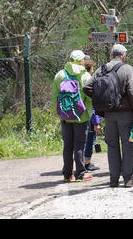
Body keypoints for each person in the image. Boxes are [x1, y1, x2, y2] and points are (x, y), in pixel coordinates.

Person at [83, 44, 133, 188]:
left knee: (112, 146)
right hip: (126, 114)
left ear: (112, 55)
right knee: (129, 145)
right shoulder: (127, 69)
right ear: (123, 56)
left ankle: (113, 179)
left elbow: (86, 87)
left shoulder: (101, 70)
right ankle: (128, 179)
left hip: (109, 115)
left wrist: (102, 100)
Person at [52, 50, 93, 182]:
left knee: (67, 145)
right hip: (81, 116)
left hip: (65, 116)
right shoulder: (85, 75)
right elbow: (89, 96)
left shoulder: (60, 75)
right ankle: (80, 173)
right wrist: (87, 110)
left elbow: (55, 96)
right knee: (79, 144)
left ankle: (67, 174)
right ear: (81, 61)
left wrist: (60, 113)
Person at [82, 59, 102, 171]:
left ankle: (82, 161)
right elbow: (92, 104)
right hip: (89, 115)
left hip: (80, 115)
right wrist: (96, 122)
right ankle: (87, 162)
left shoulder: (79, 79)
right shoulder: (89, 81)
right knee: (90, 138)